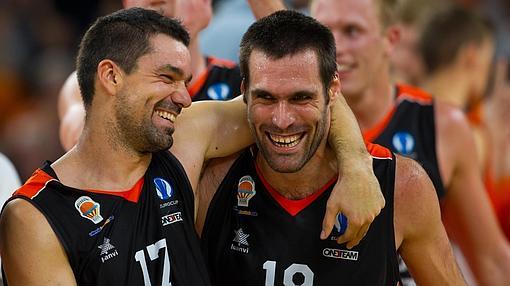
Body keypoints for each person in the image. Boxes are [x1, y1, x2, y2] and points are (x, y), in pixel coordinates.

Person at [0, 7, 385, 285]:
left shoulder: (185, 140)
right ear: (111, 76)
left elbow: (308, 97)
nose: (184, 96)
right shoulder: (34, 217)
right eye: (167, 78)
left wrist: (356, 167)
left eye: (185, 80)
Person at [198, 10, 465, 285]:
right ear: (244, 92)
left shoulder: (402, 187)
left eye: (301, 98)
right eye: (265, 97)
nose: (282, 119)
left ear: (333, 90)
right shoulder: (213, 180)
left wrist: (357, 165)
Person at [310, 0, 510, 285]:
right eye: (325, 32)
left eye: (352, 31)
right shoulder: (292, 122)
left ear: (390, 40)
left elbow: (490, 259)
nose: (337, 46)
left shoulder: (442, 126)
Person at [58, 0, 285, 151]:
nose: (163, 3)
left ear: (207, 5)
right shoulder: (95, 81)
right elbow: (85, 147)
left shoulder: (243, 82)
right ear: (127, 5)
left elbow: (301, 74)